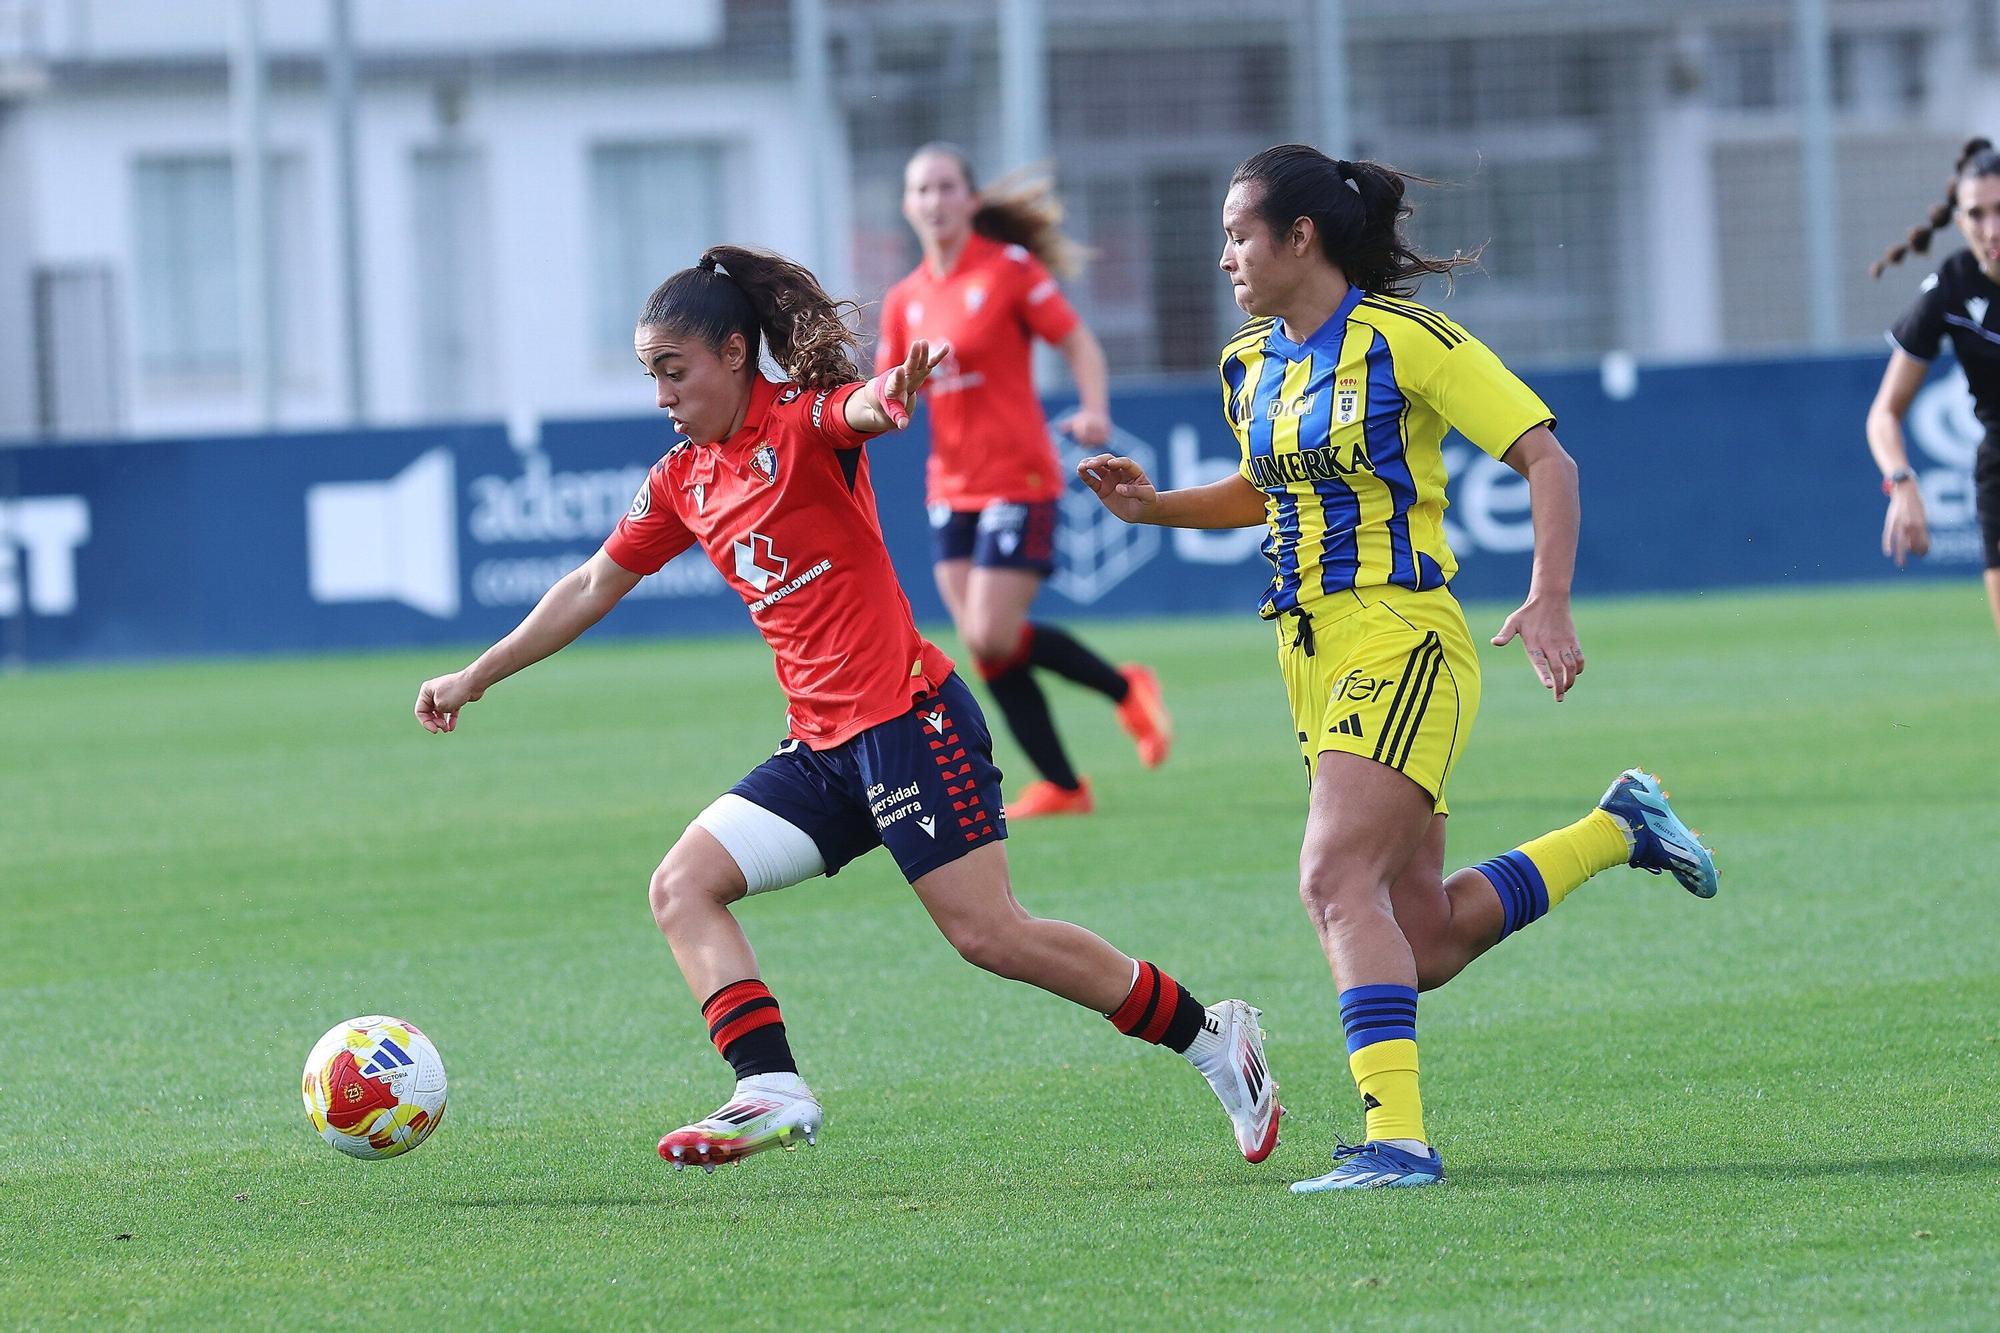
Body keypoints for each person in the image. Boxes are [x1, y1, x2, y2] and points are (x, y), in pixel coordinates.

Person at [413, 245, 1280, 1171]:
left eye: (675, 370)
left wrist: (886, 396)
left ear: (736, 354)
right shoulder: (681, 479)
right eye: (650, 375)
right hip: (821, 752)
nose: (661, 393)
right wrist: (477, 674)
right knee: (681, 886)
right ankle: (770, 1087)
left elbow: (855, 410)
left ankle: (1212, 1035)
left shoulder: (799, 423)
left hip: (911, 722)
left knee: (989, 935)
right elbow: (589, 584)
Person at [1077, 145, 1717, 1193]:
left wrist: (1547, 594)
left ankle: (1396, 1143)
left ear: (1300, 238)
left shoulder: (1407, 341)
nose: (1224, 254)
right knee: (1415, 937)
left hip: (1400, 637)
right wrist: (1156, 507)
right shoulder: (1249, 364)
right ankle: (1619, 828)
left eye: (1240, 233)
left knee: (1332, 881)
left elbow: (1545, 457)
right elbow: (1263, 487)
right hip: (1305, 652)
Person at [878, 143, 1171, 819]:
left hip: (1020, 475)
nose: (934, 201)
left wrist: (1095, 410)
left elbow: (1077, 341)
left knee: (986, 634)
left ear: (970, 199)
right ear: (907, 206)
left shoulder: (1008, 270)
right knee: (990, 650)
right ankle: (1066, 786)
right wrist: (893, 399)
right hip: (949, 485)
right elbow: (890, 395)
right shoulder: (905, 300)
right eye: (921, 190)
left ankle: (1126, 687)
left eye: (946, 187)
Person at [1867, 134, 2000, 634]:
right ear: (1960, 221)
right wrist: (1901, 482)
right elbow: (1884, 413)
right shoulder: (1951, 289)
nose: (1992, 227)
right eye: (1978, 213)